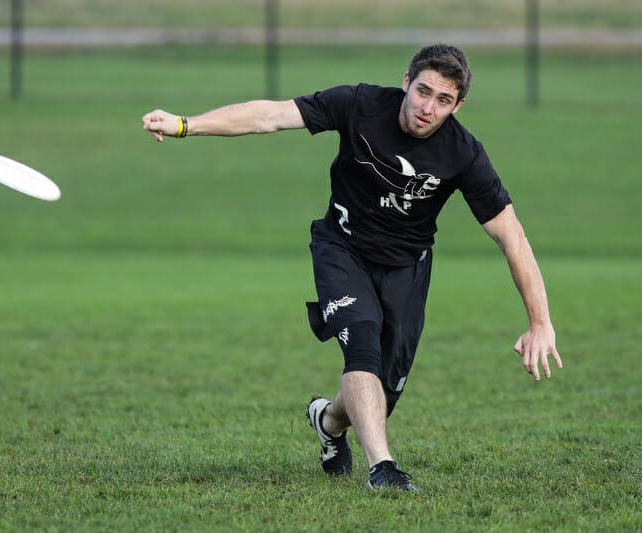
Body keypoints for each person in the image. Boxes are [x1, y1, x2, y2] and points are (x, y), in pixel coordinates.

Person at [142, 44, 563, 492]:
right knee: (360, 345)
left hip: (406, 269)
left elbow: (511, 235)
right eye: (423, 91)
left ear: (458, 105)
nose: (427, 107)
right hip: (342, 249)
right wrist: (187, 125)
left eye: (443, 100)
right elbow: (270, 116)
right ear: (406, 82)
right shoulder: (359, 105)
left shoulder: (463, 154)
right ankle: (383, 468)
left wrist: (541, 322)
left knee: (384, 391)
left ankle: (328, 420)